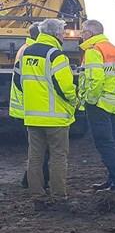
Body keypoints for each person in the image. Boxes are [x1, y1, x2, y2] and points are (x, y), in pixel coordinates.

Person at [12, 18, 78, 204]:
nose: (63, 36)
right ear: (56, 34)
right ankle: (59, 195)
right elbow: (65, 87)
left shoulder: (26, 53)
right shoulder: (56, 55)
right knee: (58, 156)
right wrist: (75, 101)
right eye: (62, 33)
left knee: (34, 157)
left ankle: (37, 195)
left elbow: (18, 82)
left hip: (32, 116)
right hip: (56, 118)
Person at [78, 19, 115, 191]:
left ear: (90, 33)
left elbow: (95, 80)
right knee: (111, 143)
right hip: (114, 103)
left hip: (99, 104)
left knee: (104, 144)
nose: (80, 34)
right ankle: (114, 179)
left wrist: (89, 101)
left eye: (83, 31)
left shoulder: (93, 51)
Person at [13, 23, 51, 189]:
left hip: (27, 104)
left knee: (37, 147)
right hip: (31, 105)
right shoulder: (32, 50)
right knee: (40, 148)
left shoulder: (25, 48)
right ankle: (33, 180)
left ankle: (31, 179)